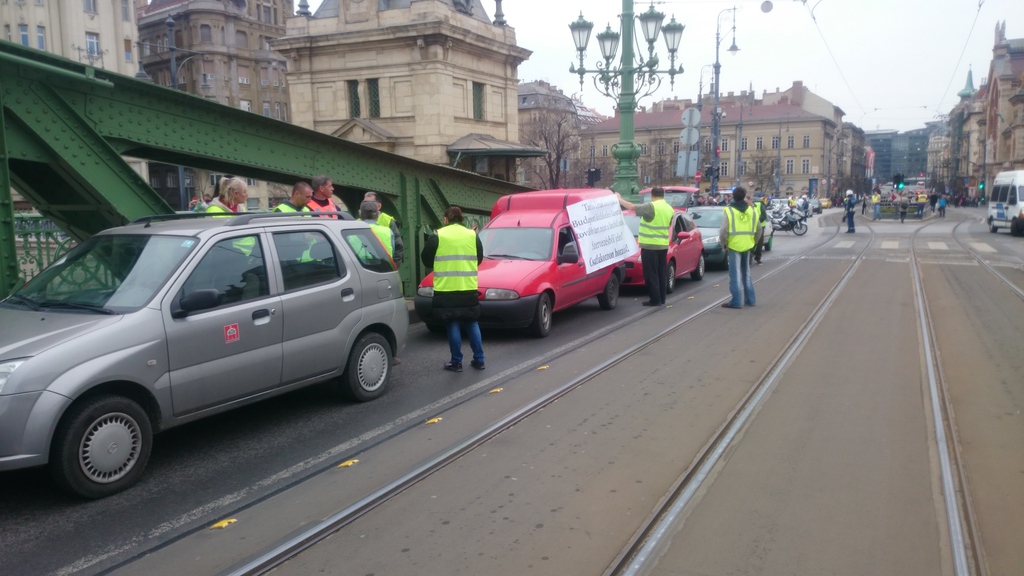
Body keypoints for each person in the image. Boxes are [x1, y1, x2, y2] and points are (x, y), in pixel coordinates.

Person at [421, 206, 485, 372]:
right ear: (462, 219)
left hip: (446, 289)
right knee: (472, 322)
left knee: (452, 323)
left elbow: (426, 260)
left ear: (445, 219)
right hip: (468, 286)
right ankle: (479, 360)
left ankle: (456, 362)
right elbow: (478, 259)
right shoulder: (472, 235)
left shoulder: (438, 235)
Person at [617, 186, 672, 307]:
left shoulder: (651, 206)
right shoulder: (669, 208)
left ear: (652, 195)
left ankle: (655, 299)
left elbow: (632, 207)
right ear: (663, 195)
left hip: (650, 246)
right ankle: (662, 298)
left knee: (650, 273)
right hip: (663, 245)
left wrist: (619, 199)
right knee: (661, 273)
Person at [719, 186, 757, 309]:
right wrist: (753, 242)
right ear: (744, 196)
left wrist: (724, 243)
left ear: (733, 196)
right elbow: (759, 230)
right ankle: (750, 299)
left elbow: (723, 230)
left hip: (734, 245)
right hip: (747, 244)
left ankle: (736, 301)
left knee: (735, 274)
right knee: (746, 273)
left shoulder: (729, 211)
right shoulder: (752, 210)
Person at [363, 191, 405, 265]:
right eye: (365, 203)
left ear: (379, 206)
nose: (367, 206)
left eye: (371, 203)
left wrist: (394, 267)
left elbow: (398, 247)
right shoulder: (357, 222)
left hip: (384, 266)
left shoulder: (388, 221)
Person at [751, 193, 768, 265]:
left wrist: (757, 221)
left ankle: (758, 257)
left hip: (760, 226)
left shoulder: (759, 204)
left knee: (759, 243)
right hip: (750, 227)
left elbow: (764, 215)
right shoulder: (745, 205)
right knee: (751, 242)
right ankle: (750, 257)